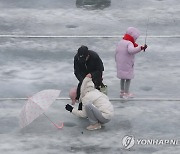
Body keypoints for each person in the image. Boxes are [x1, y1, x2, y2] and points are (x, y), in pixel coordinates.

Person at [115, 27, 148, 98]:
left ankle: (122, 91)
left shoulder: (121, 41)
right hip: (127, 63)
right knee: (128, 78)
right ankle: (126, 93)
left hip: (120, 63)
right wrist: (140, 48)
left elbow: (117, 52)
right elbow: (131, 50)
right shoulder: (129, 43)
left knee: (122, 78)